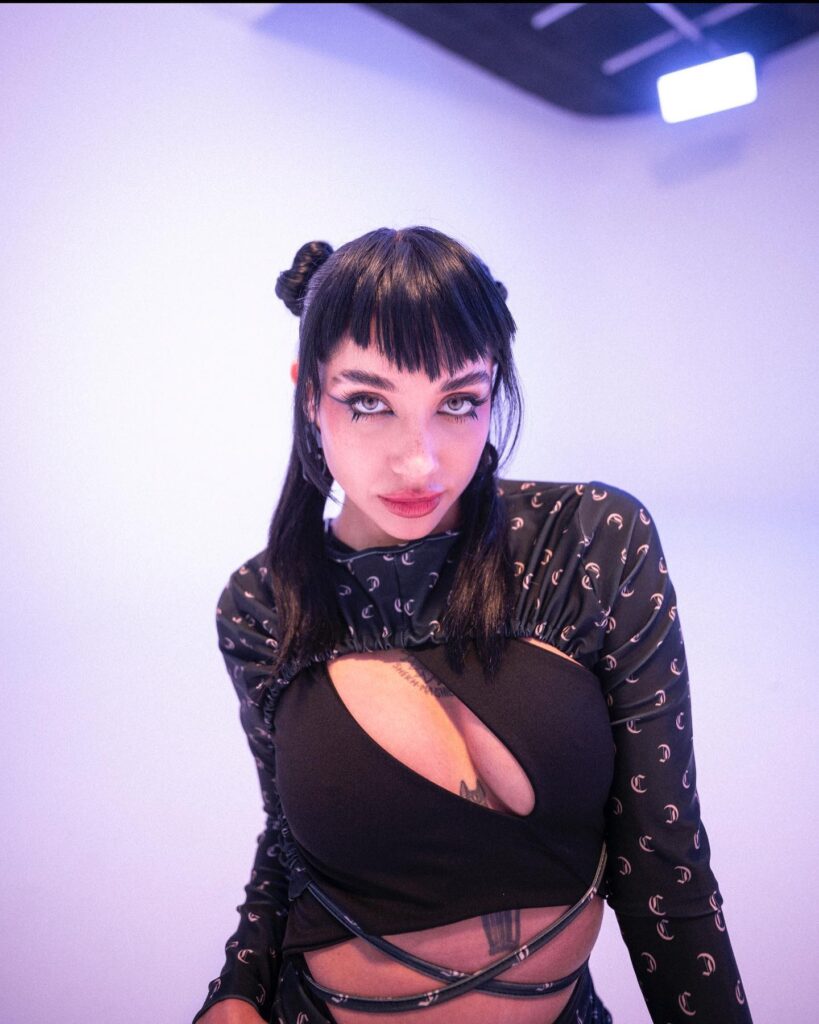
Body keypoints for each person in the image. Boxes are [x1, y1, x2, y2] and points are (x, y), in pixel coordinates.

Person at [192, 226, 753, 1024]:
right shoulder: (262, 604)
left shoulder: (588, 543)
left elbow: (664, 863)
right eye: (368, 402)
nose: (418, 460)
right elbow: (289, 843)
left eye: (458, 402)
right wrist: (237, 990)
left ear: (493, 391)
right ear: (308, 395)